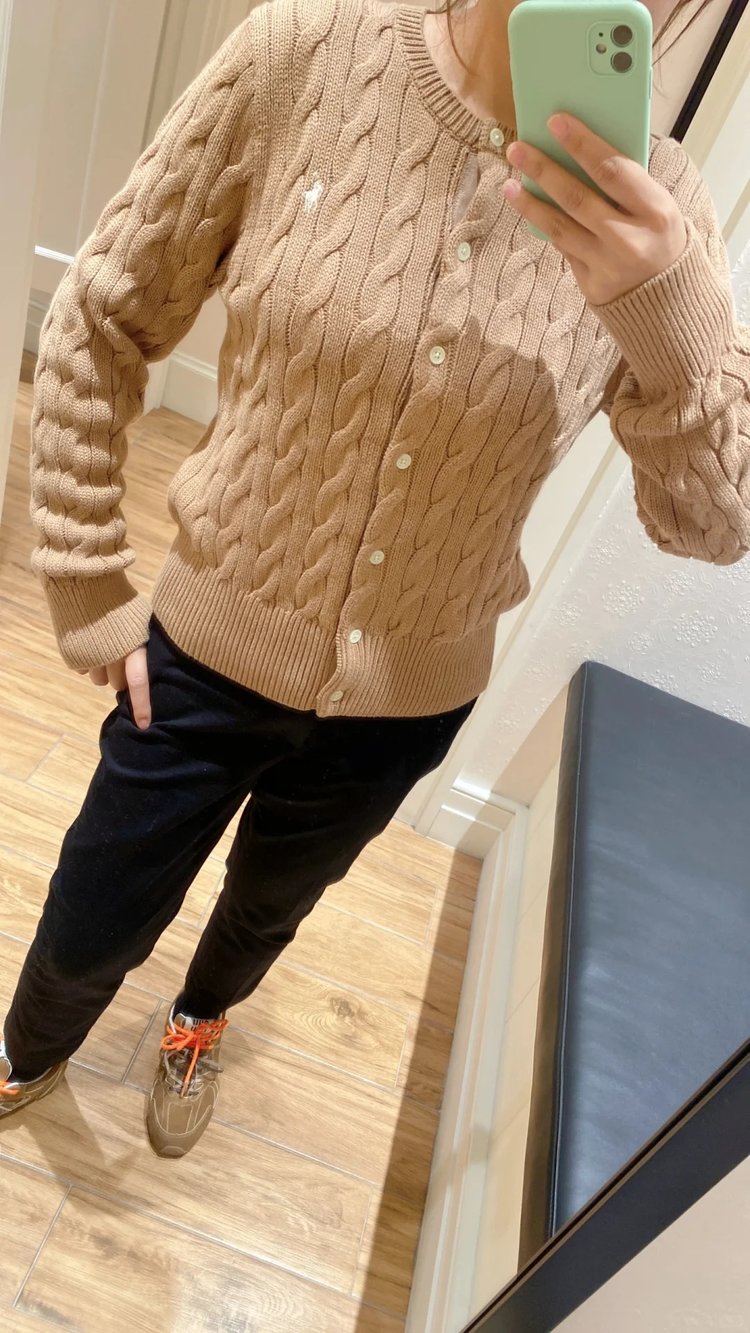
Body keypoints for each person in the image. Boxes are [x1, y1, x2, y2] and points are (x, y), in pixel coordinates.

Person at [1, 0, 748, 1157]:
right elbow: (101, 317)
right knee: (94, 912)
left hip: (408, 704)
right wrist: (89, 585)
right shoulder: (303, 54)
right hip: (199, 655)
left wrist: (668, 312)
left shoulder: (666, 216)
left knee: (271, 906)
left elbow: (715, 522)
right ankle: (30, 1046)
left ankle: (200, 1017)